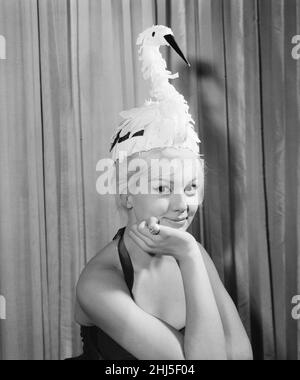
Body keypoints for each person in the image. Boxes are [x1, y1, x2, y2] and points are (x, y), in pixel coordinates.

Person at [73, 25, 253, 360]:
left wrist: (190, 256)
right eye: (161, 187)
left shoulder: (191, 248)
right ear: (127, 194)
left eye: (190, 187)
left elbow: (241, 356)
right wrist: (188, 255)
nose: (182, 205)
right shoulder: (97, 283)